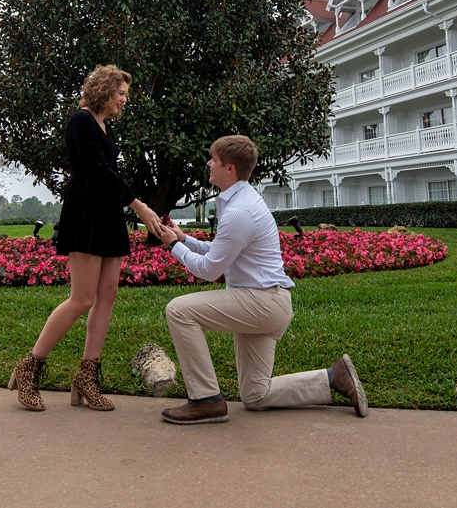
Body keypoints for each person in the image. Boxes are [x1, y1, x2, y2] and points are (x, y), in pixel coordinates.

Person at [154, 135, 368, 424]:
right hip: (265, 302)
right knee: (255, 395)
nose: (208, 163)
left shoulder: (240, 211)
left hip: (261, 302)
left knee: (178, 310)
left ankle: (205, 399)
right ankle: (333, 377)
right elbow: (220, 252)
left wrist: (172, 246)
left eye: (213, 159)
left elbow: (208, 270)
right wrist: (183, 238)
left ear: (229, 168)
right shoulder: (240, 201)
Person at [8, 65, 161, 412]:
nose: (124, 100)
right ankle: (30, 366)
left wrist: (131, 205)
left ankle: (86, 377)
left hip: (107, 214)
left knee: (106, 296)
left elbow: (110, 175)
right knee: (82, 299)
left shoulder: (106, 127)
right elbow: (99, 172)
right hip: (87, 212)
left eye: (125, 95)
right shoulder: (81, 121)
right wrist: (139, 206)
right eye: (120, 93)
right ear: (105, 91)